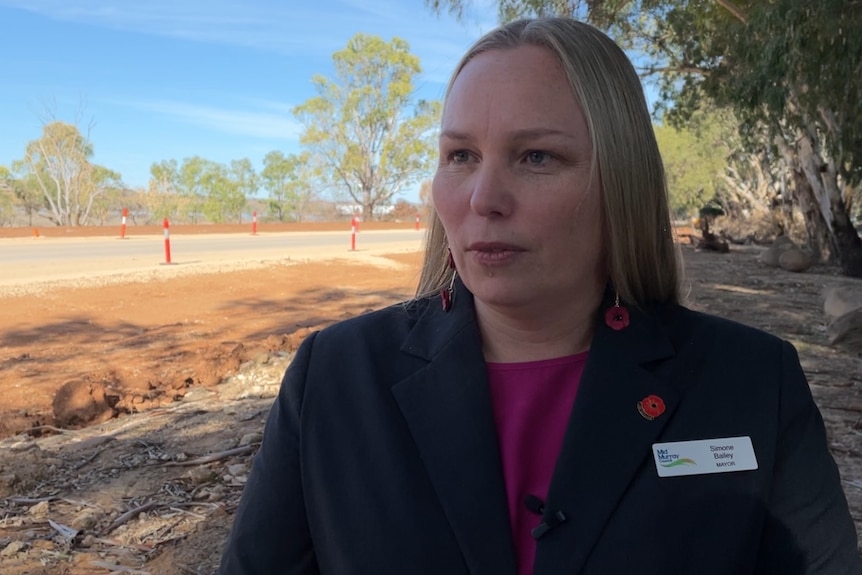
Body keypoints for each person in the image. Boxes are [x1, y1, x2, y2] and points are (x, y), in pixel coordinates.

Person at [217, 17, 861, 575]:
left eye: (537, 158)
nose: (482, 199)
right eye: (461, 155)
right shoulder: (332, 377)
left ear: (622, 181)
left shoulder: (753, 383)